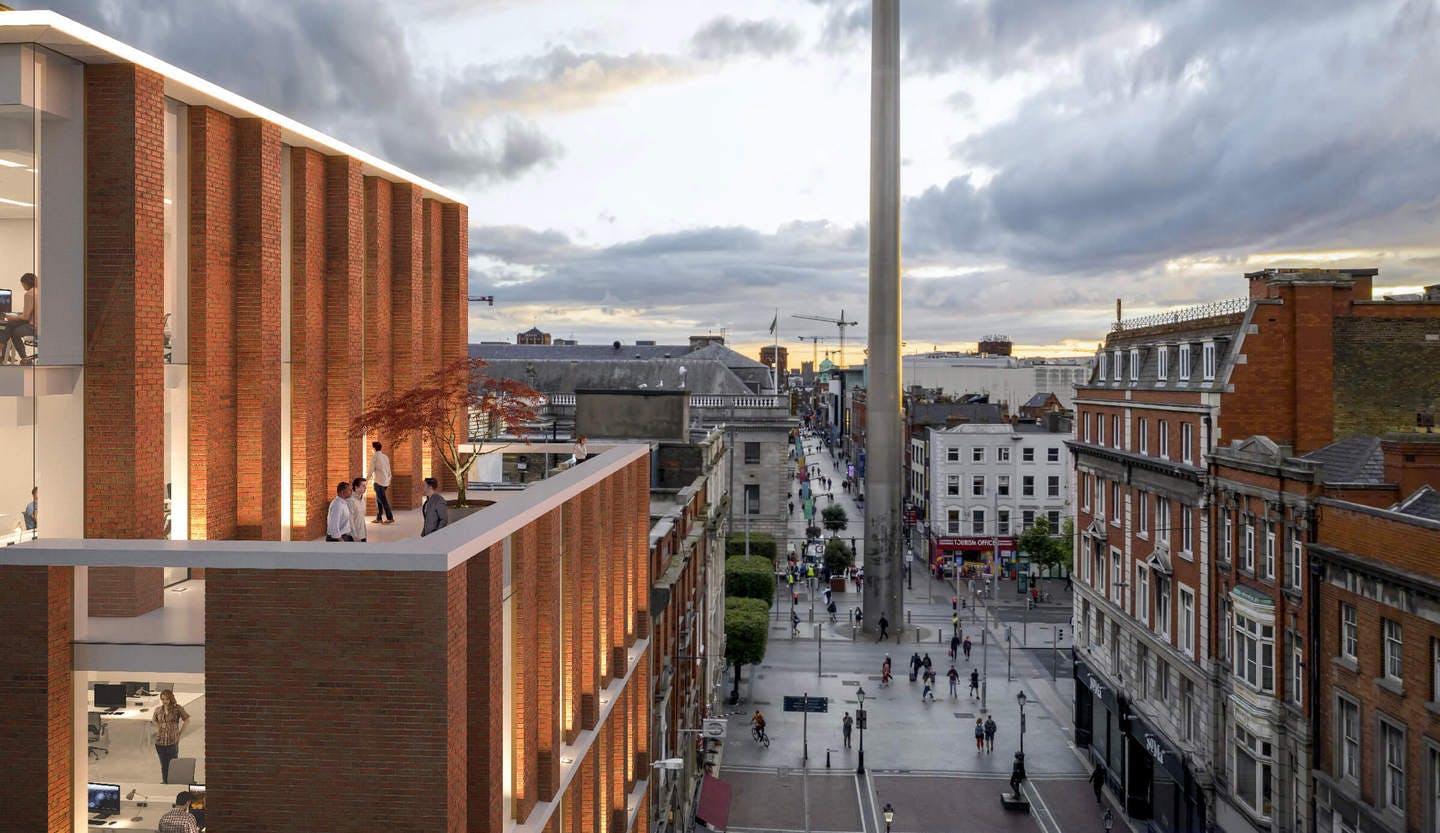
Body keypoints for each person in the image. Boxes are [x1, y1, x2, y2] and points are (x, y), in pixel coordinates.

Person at [152, 689, 190, 784]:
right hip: (160, 742)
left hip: (172, 742)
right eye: (163, 699)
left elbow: (187, 720)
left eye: (167, 699)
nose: (165, 701)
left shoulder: (177, 708)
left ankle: (173, 783)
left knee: (173, 765)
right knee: (164, 765)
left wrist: (180, 733)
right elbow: (154, 720)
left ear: (171, 698)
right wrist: (159, 728)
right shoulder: (158, 709)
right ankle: (165, 782)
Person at [2, 272, 38, 364]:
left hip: (33, 326)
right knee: (11, 325)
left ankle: (22, 357)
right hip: (41, 325)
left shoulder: (29, 294)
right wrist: (17, 316)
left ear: (25, 283)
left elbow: (26, 317)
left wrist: (12, 317)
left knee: (13, 329)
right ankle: (3, 349)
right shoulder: (39, 291)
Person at [370, 441, 394, 524]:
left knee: (383, 500)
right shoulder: (385, 457)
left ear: (374, 448)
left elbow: (370, 470)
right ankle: (379, 518)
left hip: (378, 482)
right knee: (378, 499)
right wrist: (389, 480)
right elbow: (389, 470)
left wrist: (366, 480)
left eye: (372, 448)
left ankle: (390, 518)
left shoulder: (375, 457)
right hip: (385, 482)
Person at [346, 477, 369, 543]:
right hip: (352, 537)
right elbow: (350, 520)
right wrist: (355, 536)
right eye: (363, 486)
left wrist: (364, 535)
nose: (365, 488)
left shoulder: (363, 499)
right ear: (356, 487)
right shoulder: (350, 501)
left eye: (365, 486)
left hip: (362, 535)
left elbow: (361, 518)